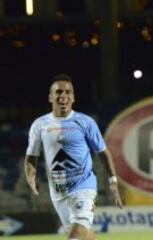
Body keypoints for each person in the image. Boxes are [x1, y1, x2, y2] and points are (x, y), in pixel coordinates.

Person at [24, 74, 123, 240]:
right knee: (83, 234)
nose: (63, 96)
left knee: (75, 235)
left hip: (84, 188)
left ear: (73, 97)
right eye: (59, 92)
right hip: (58, 192)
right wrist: (30, 177)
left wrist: (112, 181)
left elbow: (103, 152)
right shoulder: (39, 125)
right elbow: (31, 156)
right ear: (50, 97)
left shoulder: (85, 122)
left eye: (68, 92)